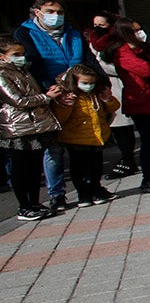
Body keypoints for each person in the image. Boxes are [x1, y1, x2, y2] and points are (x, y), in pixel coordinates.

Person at [13, 0, 95, 210]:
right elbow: (32, 65)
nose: (56, 16)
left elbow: (88, 60)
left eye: (59, 12)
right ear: (37, 12)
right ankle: (57, 194)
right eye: (50, 12)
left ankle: (88, 188)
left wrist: (97, 82)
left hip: (79, 93)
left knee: (80, 144)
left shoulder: (72, 33)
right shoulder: (25, 33)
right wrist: (53, 89)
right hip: (49, 95)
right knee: (54, 149)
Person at [0, 35, 67, 220]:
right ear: (2, 56)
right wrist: (47, 97)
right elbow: (16, 100)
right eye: (15, 54)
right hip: (17, 127)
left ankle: (35, 202)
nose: (21, 57)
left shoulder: (24, 71)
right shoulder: (2, 73)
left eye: (22, 53)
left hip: (36, 125)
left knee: (34, 167)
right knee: (20, 168)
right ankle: (24, 206)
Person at [109, 18, 150, 194]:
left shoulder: (142, 49)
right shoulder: (122, 52)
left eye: (140, 29)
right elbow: (146, 70)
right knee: (148, 142)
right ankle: (148, 179)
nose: (141, 33)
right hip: (141, 101)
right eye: (136, 30)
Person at [52, 64, 119, 207]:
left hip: (96, 136)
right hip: (76, 138)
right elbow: (60, 118)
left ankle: (96, 189)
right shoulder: (68, 96)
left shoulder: (96, 93)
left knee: (96, 167)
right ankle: (83, 194)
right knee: (79, 168)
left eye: (91, 83)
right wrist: (67, 104)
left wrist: (107, 99)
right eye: (85, 83)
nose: (88, 86)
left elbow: (113, 107)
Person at [88, 13, 137, 180]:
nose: (97, 29)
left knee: (123, 128)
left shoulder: (118, 43)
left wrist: (99, 66)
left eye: (102, 25)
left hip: (119, 88)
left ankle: (128, 160)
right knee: (112, 128)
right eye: (95, 25)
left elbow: (124, 67)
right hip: (101, 90)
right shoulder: (92, 45)